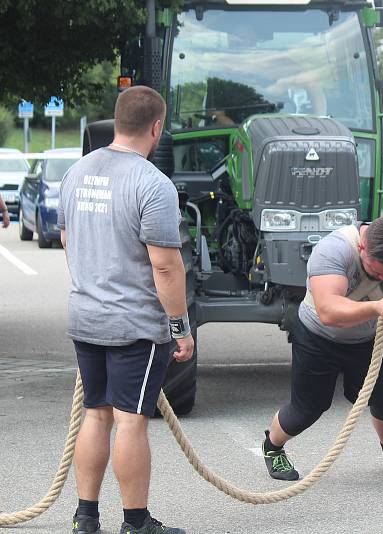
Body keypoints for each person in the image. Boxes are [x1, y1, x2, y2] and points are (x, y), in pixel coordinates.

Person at [58, 86, 193, 534]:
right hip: (134, 324)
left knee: (96, 415)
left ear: (116, 122)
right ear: (157, 128)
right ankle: (136, 523)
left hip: (85, 317)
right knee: (131, 422)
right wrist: (180, 328)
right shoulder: (153, 184)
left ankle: (85, 518)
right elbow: (165, 265)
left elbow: (67, 241)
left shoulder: (76, 173)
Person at [262, 217, 383, 481]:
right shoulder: (333, 249)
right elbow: (328, 311)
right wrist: (376, 307)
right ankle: (272, 446)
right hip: (319, 336)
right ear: (362, 249)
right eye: (377, 271)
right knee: (308, 408)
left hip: (372, 338)